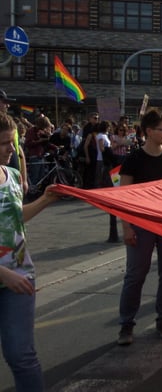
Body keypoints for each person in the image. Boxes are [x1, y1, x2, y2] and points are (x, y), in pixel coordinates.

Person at [0, 112, 59, 391]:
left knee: (21, 355)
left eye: (11, 141)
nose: (11, 149)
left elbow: (16, 217)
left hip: (20, 276)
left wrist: (46, 199)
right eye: (3, 143)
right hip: (9, 276)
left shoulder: (11, 175)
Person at [117, 108, 162, 346]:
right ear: (148, 131)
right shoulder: (134, 158)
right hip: (141, 224)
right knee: (136, 275)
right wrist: (126, 227)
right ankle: (126, 325)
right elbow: (123, 197)